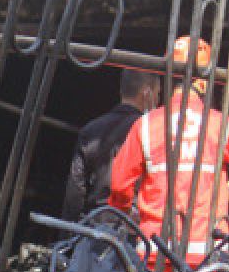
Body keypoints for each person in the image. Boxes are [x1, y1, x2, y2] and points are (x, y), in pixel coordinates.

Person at [109, 36, 229, 267]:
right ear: (202, 80)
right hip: (206, 258)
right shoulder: (221, 125)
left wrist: (119, 214)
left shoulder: (146, 125)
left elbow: (120, 185)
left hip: (156, 253)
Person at [61, 68, 161, 223]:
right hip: (133, 230)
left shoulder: (91, 130)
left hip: (95, 227)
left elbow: (75, 194)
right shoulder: (152, 134)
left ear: (122, 90)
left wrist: (68, 238)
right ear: (147, 93)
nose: (158, 100)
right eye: (158, 94)